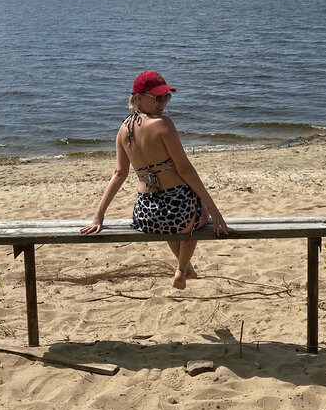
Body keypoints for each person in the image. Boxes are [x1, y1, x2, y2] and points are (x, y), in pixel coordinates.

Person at [81, 70, 228, 289]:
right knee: (199, 212)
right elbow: (185, 170)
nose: (163, 103)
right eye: (157, 98)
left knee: (171, 223)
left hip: (146, 215)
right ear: (138, 98)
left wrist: (98, 216)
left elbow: (119, 174)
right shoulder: (163, 124)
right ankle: (182, 268)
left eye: (166, 97)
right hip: (178, 210)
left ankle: (186, 267)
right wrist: (213, 209)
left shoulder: (123, 130)